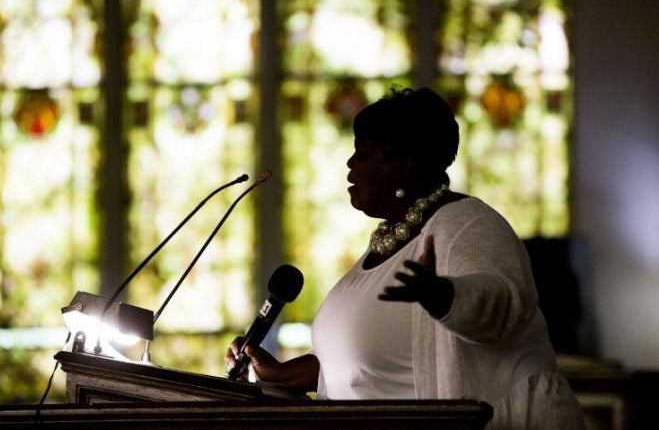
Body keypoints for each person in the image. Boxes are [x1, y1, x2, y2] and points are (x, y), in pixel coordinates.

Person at [226, 86, 584, 429]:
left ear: (403, 163)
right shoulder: (389, 240)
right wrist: (281, 374)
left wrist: (444, 295)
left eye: (362, 152)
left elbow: (500, 305)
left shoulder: (466, 224)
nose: (350, 163)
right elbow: (376, 365)